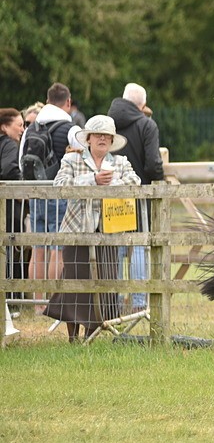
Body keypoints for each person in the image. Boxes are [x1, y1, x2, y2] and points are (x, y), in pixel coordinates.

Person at [44, 115, 141, 342]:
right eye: (98, 135)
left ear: (112, 140)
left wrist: (111, 184)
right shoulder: (71, 160)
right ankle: (72, 337)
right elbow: (59, 186)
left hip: (109, 232)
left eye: (107, 135)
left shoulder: (121, 162)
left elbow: (134, 182)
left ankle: (92, 333)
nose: (102, 139)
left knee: (105, 280)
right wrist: (92, 180)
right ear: (88, 139)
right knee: (74, 281)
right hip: (76, 230)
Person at [109, 83, 164, 312]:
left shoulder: (107, 123)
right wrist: (159, 180)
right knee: (139, 245)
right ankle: (138, 303)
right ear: (143, 104)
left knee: (114, 249)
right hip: (138, 194)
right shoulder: (146, 124)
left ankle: (113, 301)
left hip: (110, 194)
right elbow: (152, 164)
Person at [19, 83, 74, 300]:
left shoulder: (31, 128)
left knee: (38, 249)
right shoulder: (70, 129)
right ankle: (53, 302)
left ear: (47, 100)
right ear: (68, 102)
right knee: (57, 250)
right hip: (59, 195)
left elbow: (21, 161)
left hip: (35, 194)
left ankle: (38, 303)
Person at [1, 108, 28, 316]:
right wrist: (20, 189)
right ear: (4, 127)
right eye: (19, 125)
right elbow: (9, 169)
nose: (22, 129)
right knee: (11, 249)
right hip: (9, 207)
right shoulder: (9, 145)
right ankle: (12, 299)